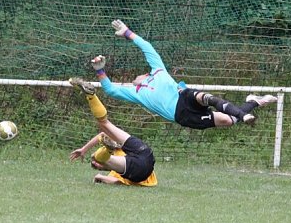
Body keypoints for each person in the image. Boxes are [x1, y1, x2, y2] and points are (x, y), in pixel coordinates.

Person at [72, 19, 277, 130]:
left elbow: (147, 47)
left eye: (139, 73)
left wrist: (127, 33)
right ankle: (253, 102)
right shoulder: (135, 92)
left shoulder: (158, 71)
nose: (136, 76)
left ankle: (245, 113)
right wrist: (100, 69)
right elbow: (109, 89)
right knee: (229, 121)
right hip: (182, 116)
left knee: (204, 97)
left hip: (184, 97)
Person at [68, 78, 157, 186]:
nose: (97, 164)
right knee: (103, 128)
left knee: (98, 147)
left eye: (97, 164)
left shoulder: (117, 167)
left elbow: (103, 134)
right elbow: (117, 181)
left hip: (141, 161)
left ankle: (91, 95)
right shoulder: (116, 169)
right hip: (145, 156)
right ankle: (91, 96)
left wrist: (84, 150)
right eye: (96, 165)